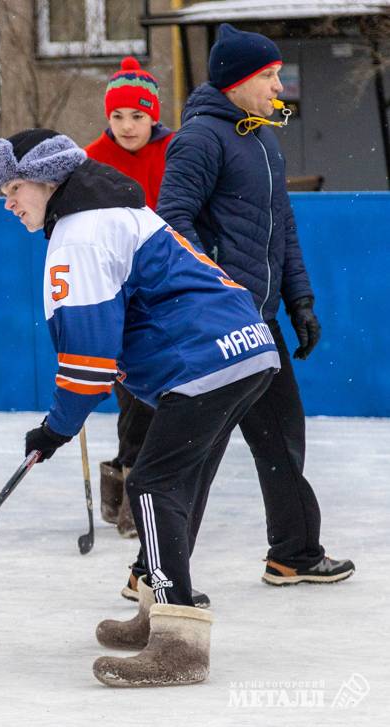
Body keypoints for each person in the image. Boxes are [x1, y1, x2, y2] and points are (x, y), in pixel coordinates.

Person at [0, 127, 279, 687]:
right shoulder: (110, 210)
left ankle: (180, 644)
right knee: (176, 484)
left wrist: (55, 428)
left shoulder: (79, 233)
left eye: (13, 187)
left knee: (153, 484)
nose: (9, 203)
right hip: (243, 348)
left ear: (45, 180)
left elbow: (89, 359)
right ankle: (156, 611)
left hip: (204, 360)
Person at [156, 23, 355, 589]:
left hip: (259, 321)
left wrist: (301, 300)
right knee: (201, 450)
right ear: (236, 82)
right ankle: (152, 572)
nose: (278, 87)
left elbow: (281, 228)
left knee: (280, 437)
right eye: (267, 76)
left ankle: (294, 550)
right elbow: (174, 223)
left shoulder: (262, 137)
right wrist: (219, 294)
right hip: (221, 326)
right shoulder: (200, 139)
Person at [84, 57, 170, 541]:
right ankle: (131, 491)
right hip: (115, 292)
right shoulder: (91, 157)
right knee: (134, 396)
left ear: (152, 115)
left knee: (160, 397)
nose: (127, 126)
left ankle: (134, 490)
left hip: (166, 287)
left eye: (137, 116)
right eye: (118, 117)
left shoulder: (175, 151)